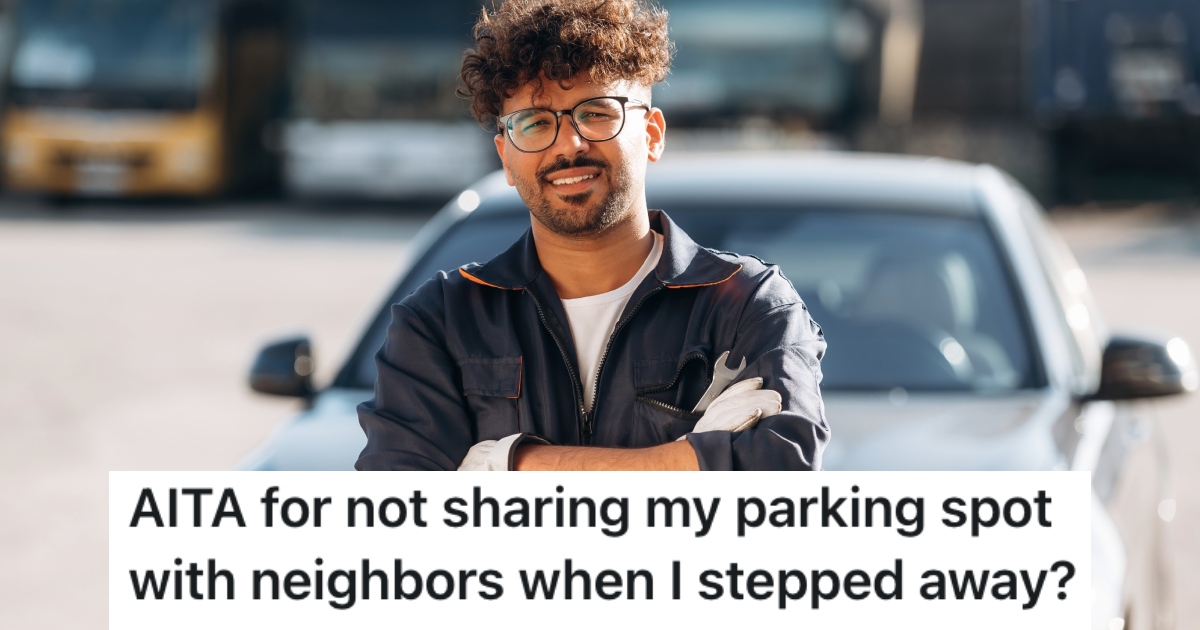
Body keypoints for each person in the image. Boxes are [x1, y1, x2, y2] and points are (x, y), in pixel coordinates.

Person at [356, 0, 828, 471]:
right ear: (505, 156)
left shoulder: (747, 304)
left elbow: (779, 477)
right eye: (536, 122)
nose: (569, 144)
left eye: (597, 113)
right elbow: (401, 511)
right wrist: (691, 461)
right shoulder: (440, 321)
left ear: (652, 134)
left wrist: (510, 465)